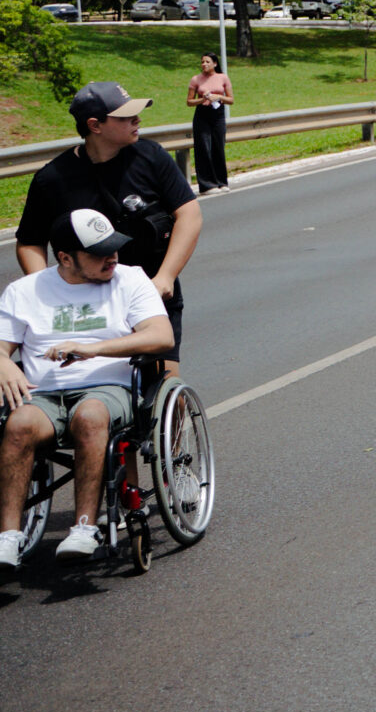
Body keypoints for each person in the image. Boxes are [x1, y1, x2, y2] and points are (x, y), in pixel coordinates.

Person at [0, 209, 176, 573]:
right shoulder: (24, 291)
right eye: (98, 252)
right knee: (18, 425)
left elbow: (161, 336)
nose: (111, 257)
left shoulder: (130, 280)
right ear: (65, 257)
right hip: (45, 394)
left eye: (113, 247)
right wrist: (3, 363)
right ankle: (9, 535)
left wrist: (93, 348)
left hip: (109, 387)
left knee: (90, 416)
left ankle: (84, 527)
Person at [16, 82, 201, 371]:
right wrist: (47, 289)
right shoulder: (52, 179)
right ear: (95, 125)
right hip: (85, 302)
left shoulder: (151, 157)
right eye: (126, 116)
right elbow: (30, 241)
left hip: (149, 294)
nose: (137, 120)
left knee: (165, 380)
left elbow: (189, 215)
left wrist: (165, 277)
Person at [184, 54, 233, 191]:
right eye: (202, 62)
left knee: (218, 147)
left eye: (207, 61)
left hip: (218, 114)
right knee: (203, 148)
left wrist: (219, 96)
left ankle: (221, 182)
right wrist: (202, 99)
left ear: (215, 64)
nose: (204, 64)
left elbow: (231, 100)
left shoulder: (223, 77)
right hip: (202, 114)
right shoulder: (196, 79)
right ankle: (207, 185)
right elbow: (189, 101)